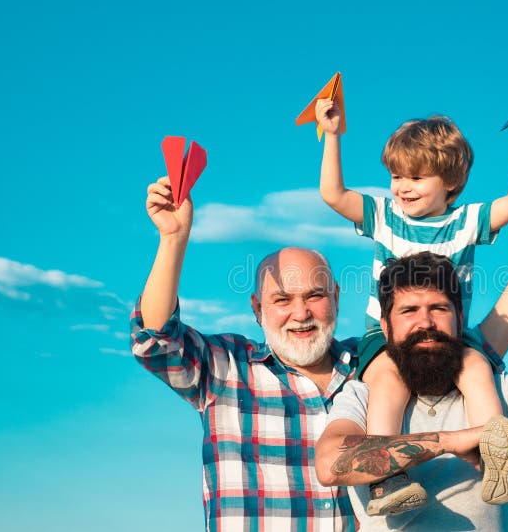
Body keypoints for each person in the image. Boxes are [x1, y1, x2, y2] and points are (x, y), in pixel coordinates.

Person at [315, 99, 508, 514]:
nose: (402, 186)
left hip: (448, 338)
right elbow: (333, 194)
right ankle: (385, 479)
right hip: (387, 337)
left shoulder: (466, 221)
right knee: (388, 380)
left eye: (417, 177)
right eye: (396, 176)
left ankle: (493, 454)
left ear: (450, 182)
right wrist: (332, 136)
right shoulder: (383, 215)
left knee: (477, 369)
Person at [314, 226, 508, 531]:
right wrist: (452, 441)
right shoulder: (363, 397)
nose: (425, 322)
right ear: (385, 328)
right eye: (409, 311)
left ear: (460, 320)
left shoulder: (502, 392)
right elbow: (330, 465)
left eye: (438, 308)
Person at [130, 176, 360, 531]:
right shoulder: (226, 367)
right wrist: (173, 238)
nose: (301, 314)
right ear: (257, 309)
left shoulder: (370, 366)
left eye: (314, 296)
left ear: (337, 299)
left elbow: (464, 344)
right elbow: (155, 341)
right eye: (282, 300)